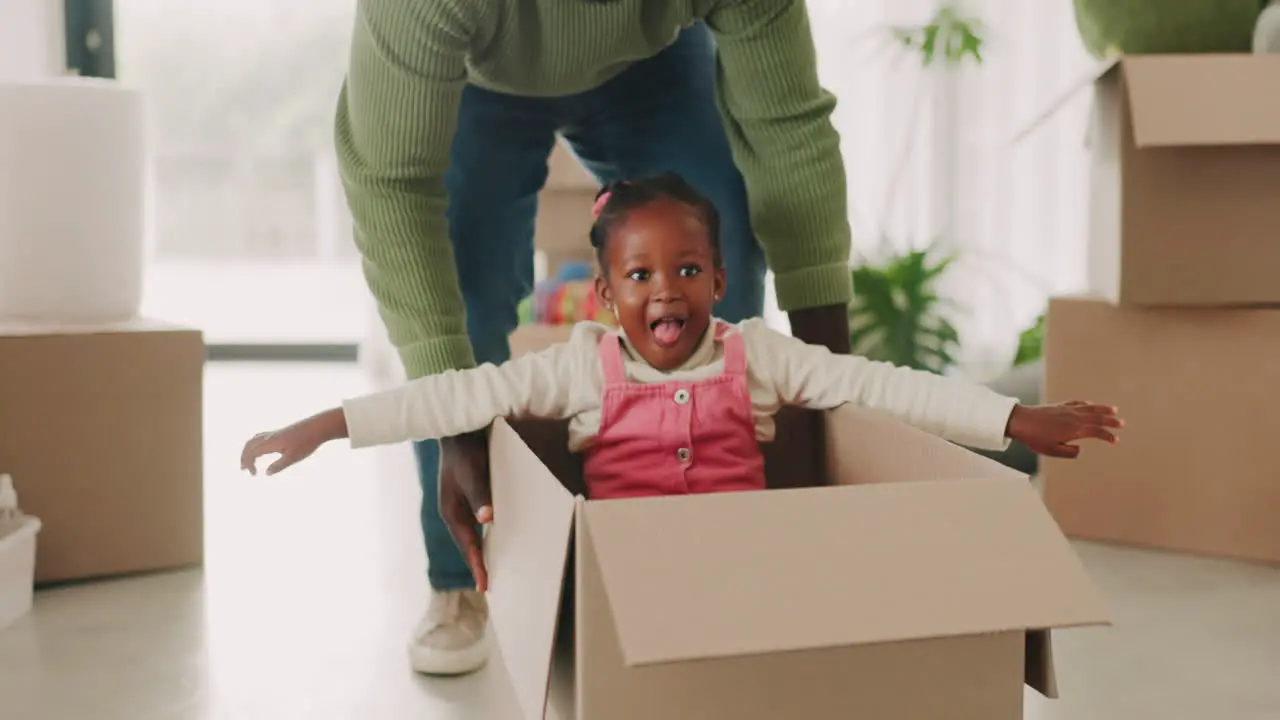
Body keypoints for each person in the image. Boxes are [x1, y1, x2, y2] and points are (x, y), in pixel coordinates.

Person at [244, 174, 1125, 665]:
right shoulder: (575, 367)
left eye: (689, 269)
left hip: (751, 582)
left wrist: (1013, 417)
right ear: (606, 294)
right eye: (640, 275)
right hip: (626, 591)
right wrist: (323, 425)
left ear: (720, 281)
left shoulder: (760, 356)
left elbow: (881, 385)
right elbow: (451, 397)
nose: (666, 288)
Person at [336, 0, 858, 676]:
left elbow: (785, 128)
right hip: (474, 77)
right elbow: (392, 182)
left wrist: (835, 386)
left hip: (653, 64)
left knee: (716, 217)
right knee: (464, 287)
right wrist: (453, 421)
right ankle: (459, 580)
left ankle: (724, 540)